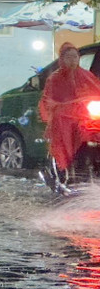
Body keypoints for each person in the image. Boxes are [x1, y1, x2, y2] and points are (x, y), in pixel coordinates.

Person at [39, 42, 100, 184]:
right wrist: (64, 106)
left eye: (75, 57)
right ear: (62, 59)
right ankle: (66, 173)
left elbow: (96, 90)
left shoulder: (86, 76)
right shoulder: (55, 79)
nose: (72, 60)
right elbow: (49, 100)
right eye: (69, 57)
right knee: (65, 142)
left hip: (85, 118)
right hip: (63, 120)